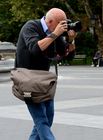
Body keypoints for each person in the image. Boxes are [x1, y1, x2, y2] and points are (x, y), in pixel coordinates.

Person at [15, 8, 77, 140]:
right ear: (49, 21)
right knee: (41, 120)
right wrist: (54, 34)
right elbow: (35, 49)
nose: (63, 27)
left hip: (44, 81)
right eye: (61, 23)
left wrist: (70, 41)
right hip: (27, 80)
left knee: (48, 118)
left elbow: (65, 56)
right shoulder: (31, 26)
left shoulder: (56, 32)